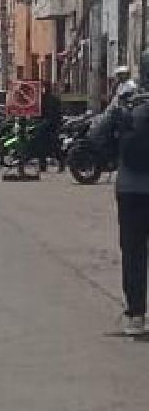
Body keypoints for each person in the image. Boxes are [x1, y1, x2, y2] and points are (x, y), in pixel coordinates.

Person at [88, 60, 149, 335]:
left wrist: (115, 155)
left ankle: (136, 316)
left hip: (130, 188)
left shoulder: (127, 101)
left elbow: (95, 132)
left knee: (133, 252)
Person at [36, 80, 65, 173]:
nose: (44, 89)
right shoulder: (41, 99)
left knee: (54, 146)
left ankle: (61, 163)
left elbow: (57, 114)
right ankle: (42, 165)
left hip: (52, 126)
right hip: (43, 126)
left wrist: (53, 124)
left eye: (45, 87)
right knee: (41, 146)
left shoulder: (53, 100)